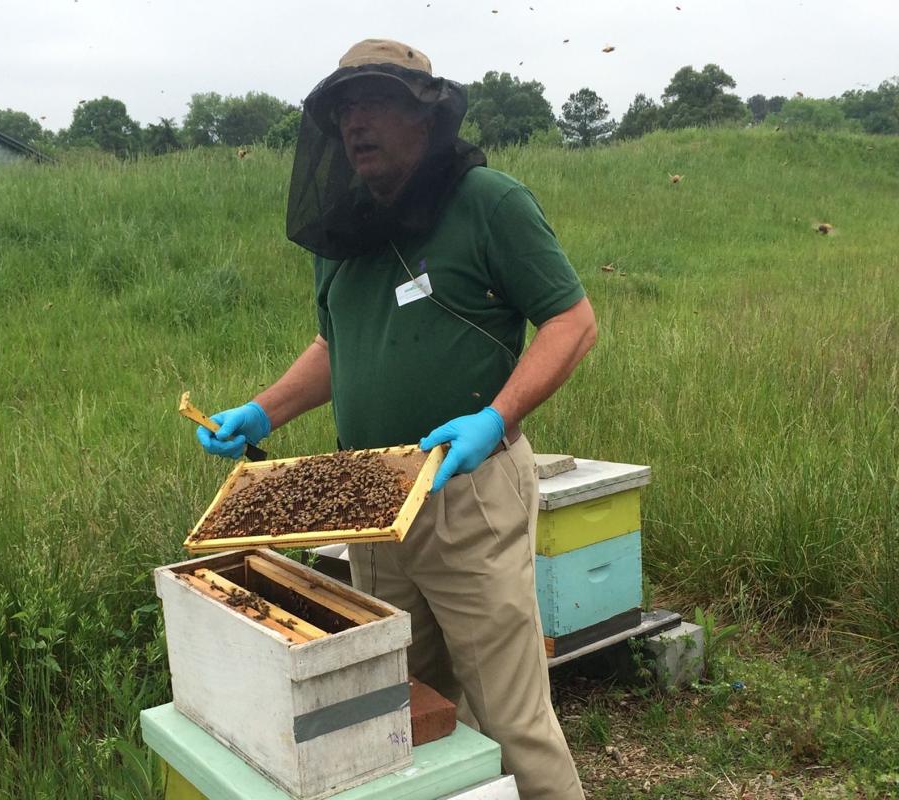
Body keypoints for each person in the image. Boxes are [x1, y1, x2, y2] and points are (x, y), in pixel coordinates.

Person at [196, 39, 594, 800]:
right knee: (406, 709)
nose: (356, 124)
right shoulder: (343, 229)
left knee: (510, 717)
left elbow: (571, 322)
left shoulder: (490, 204)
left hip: (466, 493)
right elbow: (336, 343)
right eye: (344, 109)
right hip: (372, 498)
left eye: (375, 103)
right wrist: (260, 410)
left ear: (426, 114)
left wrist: (495, 418)